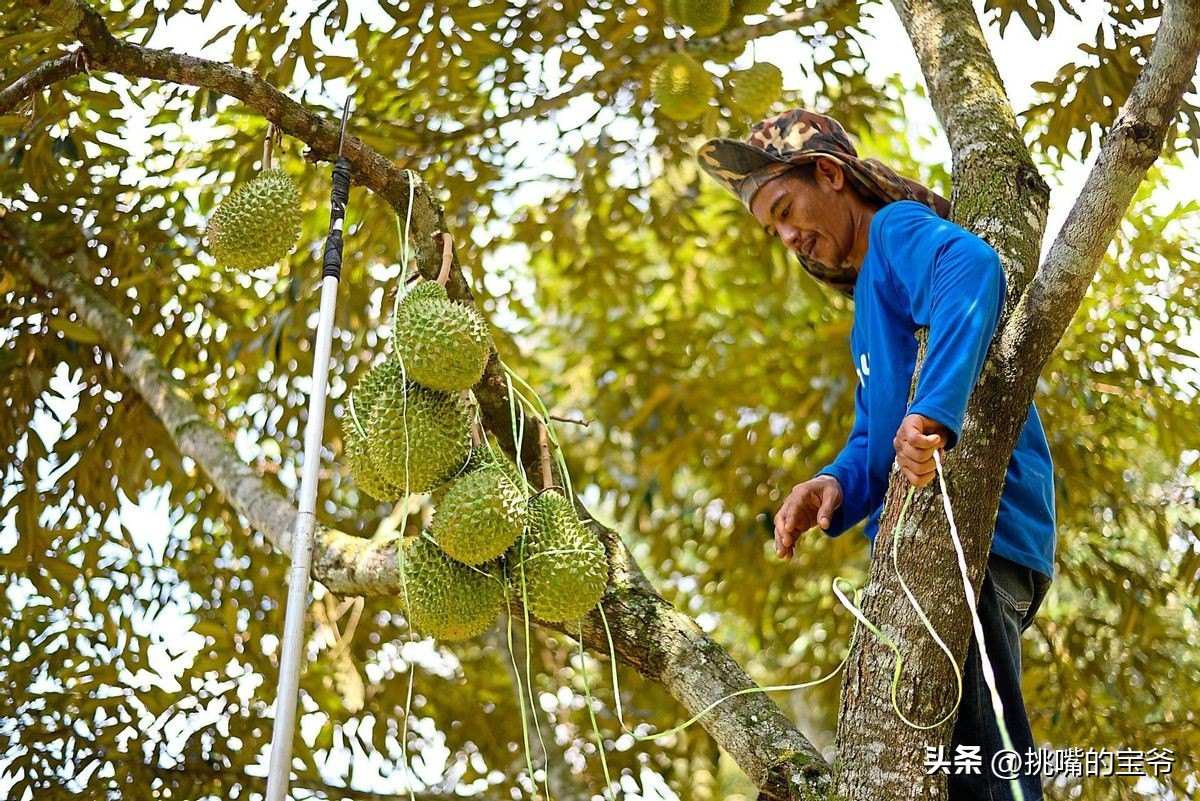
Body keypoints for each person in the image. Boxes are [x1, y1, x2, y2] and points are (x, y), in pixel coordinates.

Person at [697, 109, 1056, 801]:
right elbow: (875, 434)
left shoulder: (893, 230)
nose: (786, 235)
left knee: (990, 768)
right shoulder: (869, 299)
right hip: (948, 548)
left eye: (784, 208)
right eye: (771, 228)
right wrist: (832, 482)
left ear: (828, 174)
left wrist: (932, 416)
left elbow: (973, 267)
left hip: (979, 534)